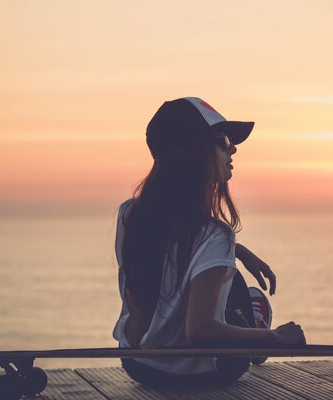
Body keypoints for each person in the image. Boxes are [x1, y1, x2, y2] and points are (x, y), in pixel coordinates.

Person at [113, 97, 306, 389]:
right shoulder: (216, 235)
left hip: (138, 365)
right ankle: (254, 322)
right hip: (203, 373)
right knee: (237, 284)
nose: (233, 148)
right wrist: (277, 338)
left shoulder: (130, 215)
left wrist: (238, 250)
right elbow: (201, 331)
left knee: (221, 268)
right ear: (190, 151)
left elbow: (173, 246)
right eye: (222, 140)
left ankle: (249, 316)